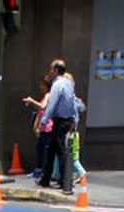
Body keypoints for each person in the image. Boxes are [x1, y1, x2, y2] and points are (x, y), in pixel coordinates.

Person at [38, 59, 78, 195]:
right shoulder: (69, 84)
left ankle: (64, 180)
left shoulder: (57, 85)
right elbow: (73, 101)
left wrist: (43, 121)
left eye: (51, 69)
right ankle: (45, 179)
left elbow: (52, 104)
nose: (50, 71)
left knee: (60, 150)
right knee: (52, 149)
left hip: (60, 121)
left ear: (56, 70)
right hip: (67, 120)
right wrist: (75, 118)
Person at [22, 75, 53, 179]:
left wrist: (31, 101)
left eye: (41, 85)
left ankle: (42, 171)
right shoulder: (46, 96)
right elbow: (40, 112)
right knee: (40, 149)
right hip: (44, 128)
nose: (40, 87)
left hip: (48, 128)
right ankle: (38, 170)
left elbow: (42, 107)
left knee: (44, 151)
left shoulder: (48, 95)